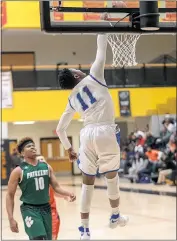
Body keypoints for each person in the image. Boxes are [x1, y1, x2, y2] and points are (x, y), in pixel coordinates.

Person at [56, 13, 128, 240]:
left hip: (86, 134)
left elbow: (59, 129)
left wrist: (68, 148)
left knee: (87, 182)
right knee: (111, 176)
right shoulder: (94, 75)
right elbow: (101, 48)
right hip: (106, 130)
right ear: (77, 75)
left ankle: (85, 230)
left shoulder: (71, 99)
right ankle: (115, 215)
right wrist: (104, 23)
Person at [6, 137, 76, 240]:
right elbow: (10, 195)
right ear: (22, 153)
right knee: (38, 237)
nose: (33, 147)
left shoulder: (46, 167)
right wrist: (11, 218)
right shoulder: (18, 171)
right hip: (30, 209)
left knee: (48, 238)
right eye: (29, 146)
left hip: (46, 208)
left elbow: (56, 187)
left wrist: (68, 193)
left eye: (33, 145)